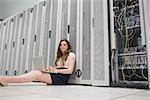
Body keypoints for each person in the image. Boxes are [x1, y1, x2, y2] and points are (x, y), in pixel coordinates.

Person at [0, 39, 76, 86]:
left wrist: (55, 70)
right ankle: (6, 79)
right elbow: (58, 68)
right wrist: (51, 69)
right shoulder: (59, 57)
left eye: (64, 45)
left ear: (68, 46)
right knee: (35, 72)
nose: (62, 46)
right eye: (61, 45)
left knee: (35, 74)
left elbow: (70, 70)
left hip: (62, 78)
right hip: (56, 75)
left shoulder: (71, 55)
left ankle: (6, 79)